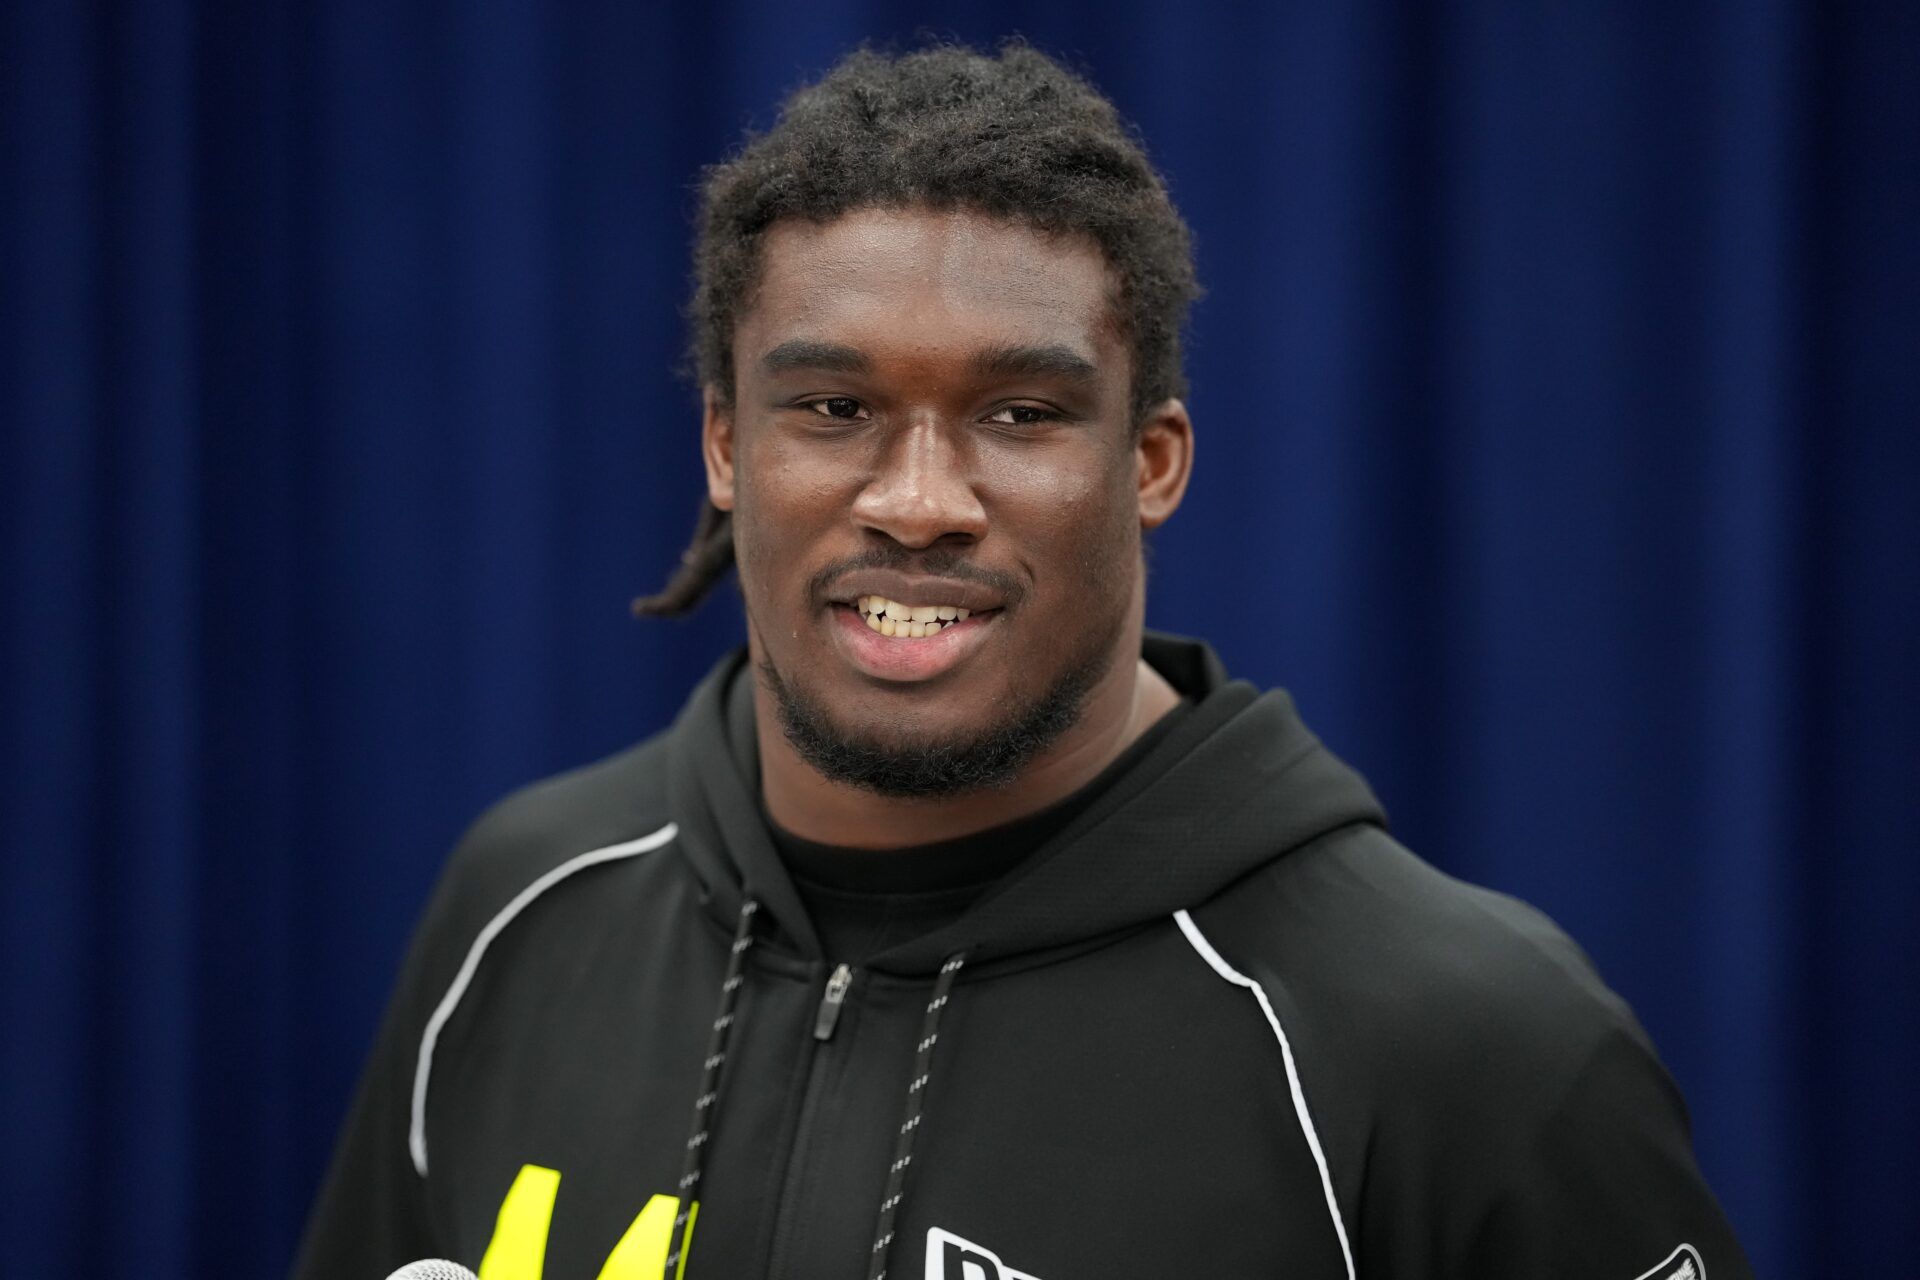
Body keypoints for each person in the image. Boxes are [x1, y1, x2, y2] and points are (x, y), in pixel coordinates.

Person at [293, 41, 1750, 1280]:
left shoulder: (1465, 1043)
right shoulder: (525, 905)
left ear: (1152, 462)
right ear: (727, 447)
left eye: (1020, 414)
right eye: (834, 406)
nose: (919, 498)